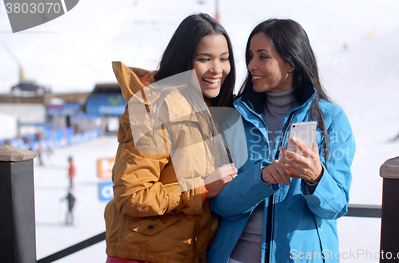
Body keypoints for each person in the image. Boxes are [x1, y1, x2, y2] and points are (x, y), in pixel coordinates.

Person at [208, 19, 356, 263]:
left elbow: (336, 206)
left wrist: (316, 178)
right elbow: (221, 205)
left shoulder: (330, 120)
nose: (251, 65)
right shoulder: (233, 118)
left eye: (263, 56)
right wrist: (261, 177)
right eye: (250, 55)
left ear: (290, 63)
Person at [104, 13, 238, 263]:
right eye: (204, 59)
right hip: (145, 256)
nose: (217, 69)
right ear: (184, 60)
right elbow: (131, 196)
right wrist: (202, 189)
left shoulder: (207, 108)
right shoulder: (153, 108)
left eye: (224, 59)